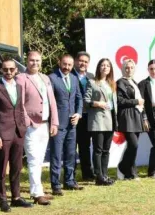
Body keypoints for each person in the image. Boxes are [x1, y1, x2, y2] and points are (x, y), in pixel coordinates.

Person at [0, 58, 33, 212]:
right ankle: (2, 200)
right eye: (5, 69)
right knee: (1, 168)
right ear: (1, 70)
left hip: (18, 133)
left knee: (17, 166)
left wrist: (23, 127)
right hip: (3, 134)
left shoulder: (19, 87)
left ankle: (16, 197)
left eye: (11, 69)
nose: (8, 72)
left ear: (16, 70)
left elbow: (19, 109)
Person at [16, 51, 58, 205]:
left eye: (38, 60)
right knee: (33, 158)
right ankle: (36, 193)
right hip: (31, 125)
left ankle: (38, 189)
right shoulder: (21, 78)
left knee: (39, 159)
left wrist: (54, 122)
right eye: (32, 60)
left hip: (45, 124)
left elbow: (52, 101)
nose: (35, 63)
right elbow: (19, 103)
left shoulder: (45, 78)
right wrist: (27, 121)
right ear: (27, 61)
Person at [48, 54, 83, 195]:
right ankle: (55, 185)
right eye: (64, 64)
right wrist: (53, 122)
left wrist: (78, 113)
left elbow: (79, 98)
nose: (67, 67)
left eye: (69, 65)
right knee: (56, 155)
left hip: (72, 124)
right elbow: (49, 102)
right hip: (57, 124)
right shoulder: (52, 78)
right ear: (59, 62)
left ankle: (69, 181)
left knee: (71, 154)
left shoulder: (74, 78)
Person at [84, 58, 117, 186]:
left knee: (106, 150)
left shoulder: (111, 84)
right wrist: (97, 103)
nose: (105, 67)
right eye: (103, 65)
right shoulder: (92, 82)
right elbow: (86, 101)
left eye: (107, 65)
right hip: (98, 120)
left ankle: (104, 174)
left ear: (110, 69)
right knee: (98, 149)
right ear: (98, 67)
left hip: (110, 120)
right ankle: (99, 176)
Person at [116, 59, 147, 180]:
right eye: (127, 68)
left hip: (136, 116)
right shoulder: (120, 82)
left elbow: (141, 103)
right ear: (123, 69)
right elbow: (120, 101)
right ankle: (123, 167)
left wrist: (144, 118)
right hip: (127, 116)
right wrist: (136, 101)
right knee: (133, 145)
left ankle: (130, 172)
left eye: (131, 67)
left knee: (132, 146)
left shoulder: (134, 82)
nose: (129, 70)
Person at [74, 52, 96, 182]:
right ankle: (71, 174)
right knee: (72, 146)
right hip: (74, 116)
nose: (83, 63)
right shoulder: (70, 75)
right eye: (81, 61)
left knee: (85, 146)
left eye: (86, 62)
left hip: (88, 116)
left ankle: (87, 173)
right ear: (76, 61)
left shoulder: (91, 76)